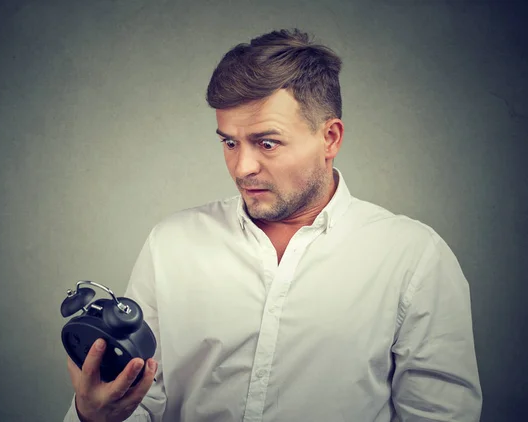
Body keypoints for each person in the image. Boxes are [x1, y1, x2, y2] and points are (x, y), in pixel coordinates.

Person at [63, 28, 482, 422]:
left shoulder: (414, 258)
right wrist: (92, 417)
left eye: (267, 143)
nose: (242, 167)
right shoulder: (170, 244)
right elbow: (137, 401)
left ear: (330, 138)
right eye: (229, 142)